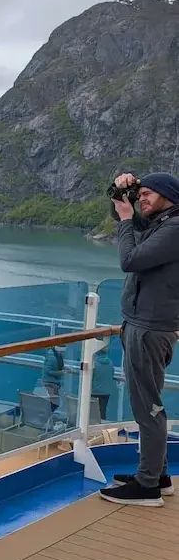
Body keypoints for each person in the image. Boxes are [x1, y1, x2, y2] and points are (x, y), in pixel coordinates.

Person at [102, 170, 179, 506]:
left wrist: (124, 219)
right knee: (149, 403)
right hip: (146, 325)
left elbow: (130, 259)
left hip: (149, 329)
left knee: (147, 408)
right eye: (140, 193)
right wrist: (120, 194)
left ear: (169, 195)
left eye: (148, 193)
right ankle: (157, 476)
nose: (141, 199)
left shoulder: (174, 229)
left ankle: (147, 486)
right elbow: (127, 217)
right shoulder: (162, 224)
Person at [92, 348, 115, 420]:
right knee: (102, 411)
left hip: (94, 392)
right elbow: (112, 374)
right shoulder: (110, 363)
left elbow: (90, 377)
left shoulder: (94, 364)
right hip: (106, 392)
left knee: (92, 412)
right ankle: (102, 424)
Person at [41, 346, 64, 411]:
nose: (63, 353)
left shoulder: (58, 356)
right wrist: (61, 372)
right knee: (53, 404)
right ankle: (49, 415)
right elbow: (48, 371)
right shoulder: (52, 358)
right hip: (50, 383)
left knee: (54, 403)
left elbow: (57, 367)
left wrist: (63, 369)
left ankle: (49, 414)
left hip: (54, 383)